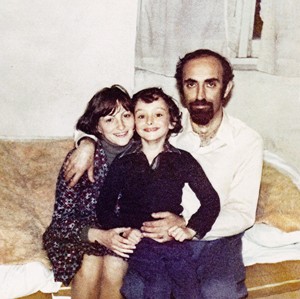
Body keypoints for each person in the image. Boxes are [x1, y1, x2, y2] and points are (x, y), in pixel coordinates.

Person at [65, 49, 264, 298]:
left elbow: (243, 212)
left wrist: (188, 225)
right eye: (191, 84)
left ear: (226, 88)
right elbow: (111, 121)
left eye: (210, 84)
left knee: (216, 291)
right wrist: (86, 143)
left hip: (215, 238)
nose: (200, 95)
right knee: (138, 289)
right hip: (152, 238)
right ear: (182, 90)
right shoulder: (164, 131)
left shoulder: (247, 141)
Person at [96, 87, 220, 298]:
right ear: (134, 124)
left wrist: (191, 229)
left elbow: (211, 201)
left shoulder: (183, 160)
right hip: (139, 241)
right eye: (141, 116)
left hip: (173, 239)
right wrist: (125, 231)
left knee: (189, 283)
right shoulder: (123, 162)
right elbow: (103, 207)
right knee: (158, 283)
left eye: (158, 114)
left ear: (172, 121)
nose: (150, 121)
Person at [43, 85, 138, 299]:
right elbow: (61, 220)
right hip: (80, 234)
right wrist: (98, 235)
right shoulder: (81, 158)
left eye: (126, 115)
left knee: (115, 264)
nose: (121, 125)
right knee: (90, 263)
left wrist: (130, 233)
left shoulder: (146, 154)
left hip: (126, 235)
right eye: (110, 119)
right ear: (98, 126)